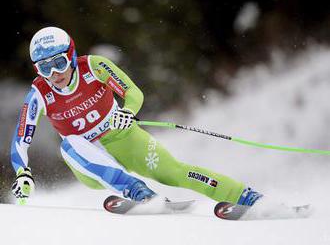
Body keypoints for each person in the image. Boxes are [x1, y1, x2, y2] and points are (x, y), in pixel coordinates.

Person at [11, 27, 262, 207]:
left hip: (124, 138)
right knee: (68, 145)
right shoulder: (39, 94)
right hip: (89, 160)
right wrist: (22, 173)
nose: (55, 73)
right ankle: (136, 191)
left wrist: (127, 112)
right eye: (45, 67)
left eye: (60, 63)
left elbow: (133, 92)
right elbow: (21, 140)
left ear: (72, 55)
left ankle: (244, 196)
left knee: (174, 172)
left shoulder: (95, 66)